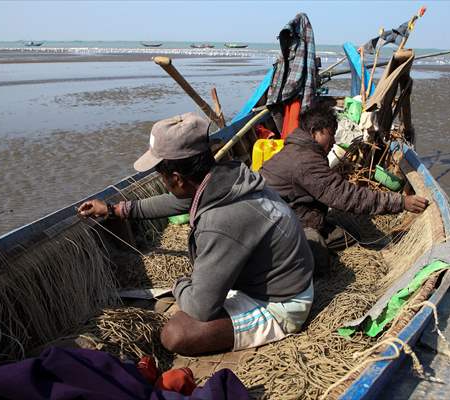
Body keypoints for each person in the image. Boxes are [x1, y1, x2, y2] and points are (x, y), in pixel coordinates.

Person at [78, 113, 314, 356]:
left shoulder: (220, 220)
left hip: (282, 304)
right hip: (288, 276)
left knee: (177, 334)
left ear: (177, 179)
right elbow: (175, 202)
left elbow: (202, 309)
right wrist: (115, 209)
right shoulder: (228, 177)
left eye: (162, 176)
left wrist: (180, 284)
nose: (165, 183)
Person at [260, 104, 429, 271]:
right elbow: (348, 196)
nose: (334, 142)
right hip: (276, 229)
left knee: (347, 236)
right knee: (320, 258)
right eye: (331, 134)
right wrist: (401, 202)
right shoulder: (306, 161)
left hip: (285, 214)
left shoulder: (297, 150)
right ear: (314, 132)